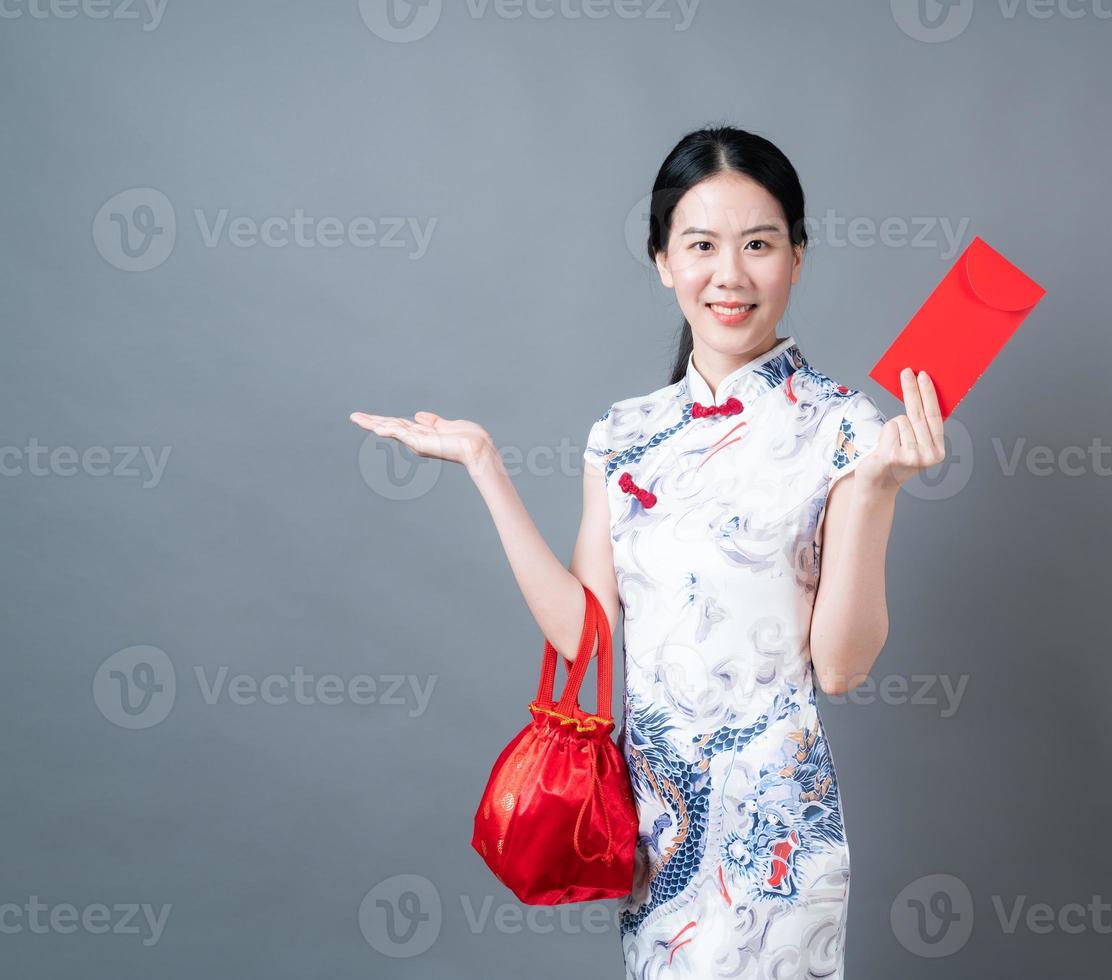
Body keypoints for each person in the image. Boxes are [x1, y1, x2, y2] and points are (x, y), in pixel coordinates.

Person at [349, 124, 943, 978]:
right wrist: (485, 467)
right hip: (657, 835)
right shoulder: (625, 435)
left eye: (760, 244)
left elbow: (841, 668)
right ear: (664, 259)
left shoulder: (846, 427)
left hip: (778, 835)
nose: (730, 275)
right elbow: (584, 636)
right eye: (701, 245)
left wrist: (881, 488)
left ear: (798, 258)